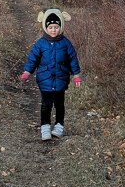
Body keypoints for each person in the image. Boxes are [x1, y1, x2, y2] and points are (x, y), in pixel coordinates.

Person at [20, 8, 83, 141]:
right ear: (45, 27)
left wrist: (76, 74)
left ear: (61, 27)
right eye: (50, 27)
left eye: (56, 27)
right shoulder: (40, 44)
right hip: (45, 80)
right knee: (46, 105)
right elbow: (33, 59)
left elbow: (72, 59)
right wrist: (27, 72)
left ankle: (59, 127)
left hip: (61, 79)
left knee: (59, 104)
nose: (53, 30)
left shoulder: (66, 43)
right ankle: (45, 128)